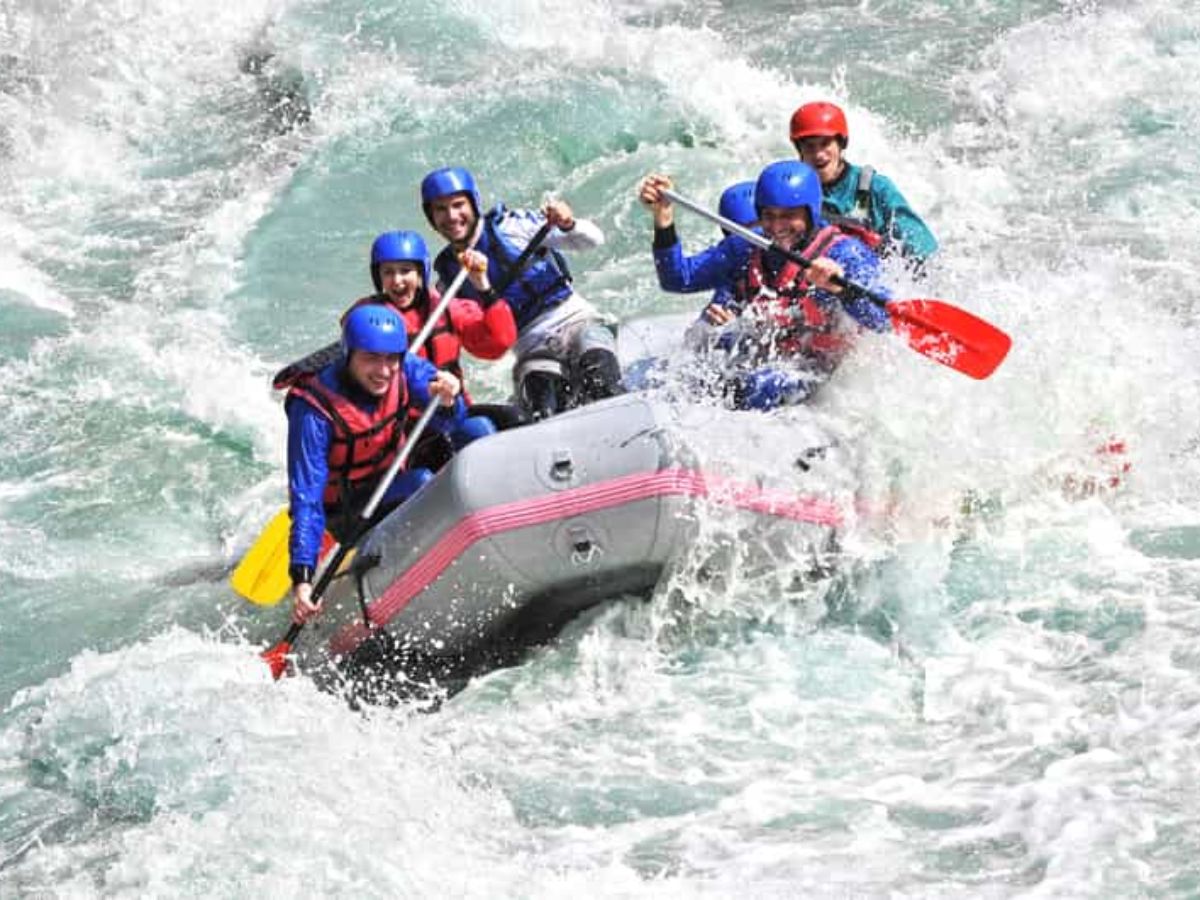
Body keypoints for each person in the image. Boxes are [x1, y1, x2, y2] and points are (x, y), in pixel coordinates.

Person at [638, 159, 892, 409]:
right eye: (769, 215)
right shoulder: (747, 245)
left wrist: (841, 288)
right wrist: (663, 218)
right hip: (774, 354)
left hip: (823, 368)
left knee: (762, 385)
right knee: (706, 360)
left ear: (811, 211)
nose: (777, 226)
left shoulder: (846, 254)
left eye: (789, 216)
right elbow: (677, 279)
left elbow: (884, 320)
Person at [286, 303, 465, 624]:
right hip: (346, 511)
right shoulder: (313, 409)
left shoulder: (405, 368)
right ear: (348, 354)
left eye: (391, 359)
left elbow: (450, 423)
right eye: (371, 358)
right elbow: (307, 498)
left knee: (475, 430)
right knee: (423, 482)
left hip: (390, 483)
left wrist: (449, 400)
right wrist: (302, 579)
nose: (383, 371)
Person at [419, 166, 623, 420]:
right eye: (440, 209)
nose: (451, 215)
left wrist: (569, 223)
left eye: (458, 205)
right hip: (532, 348)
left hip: (578, 322)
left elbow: (592, 240)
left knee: (602, 383)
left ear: (474, 203)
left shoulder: (512, 226)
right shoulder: (449, 282)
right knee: (544, 413)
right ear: (431, 218)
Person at [350, 230, 524, 451]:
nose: (397, 281)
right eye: (388, 272)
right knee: (479, 430)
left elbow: (498, 343)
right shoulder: (368, 320)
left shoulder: (445, 308)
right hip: (405, 426)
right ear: (378, 277)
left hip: (452, 409)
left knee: (515, 418)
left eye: (406, 271)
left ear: (421, 272)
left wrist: (482, 285)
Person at [789, 101, 938, 265]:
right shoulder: (793, 192)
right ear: (799, 150)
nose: (818, 154)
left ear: (841, 144)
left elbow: (921, 245)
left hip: (870, 277)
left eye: (825, 144)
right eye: (810, 147)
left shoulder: (875, 187)